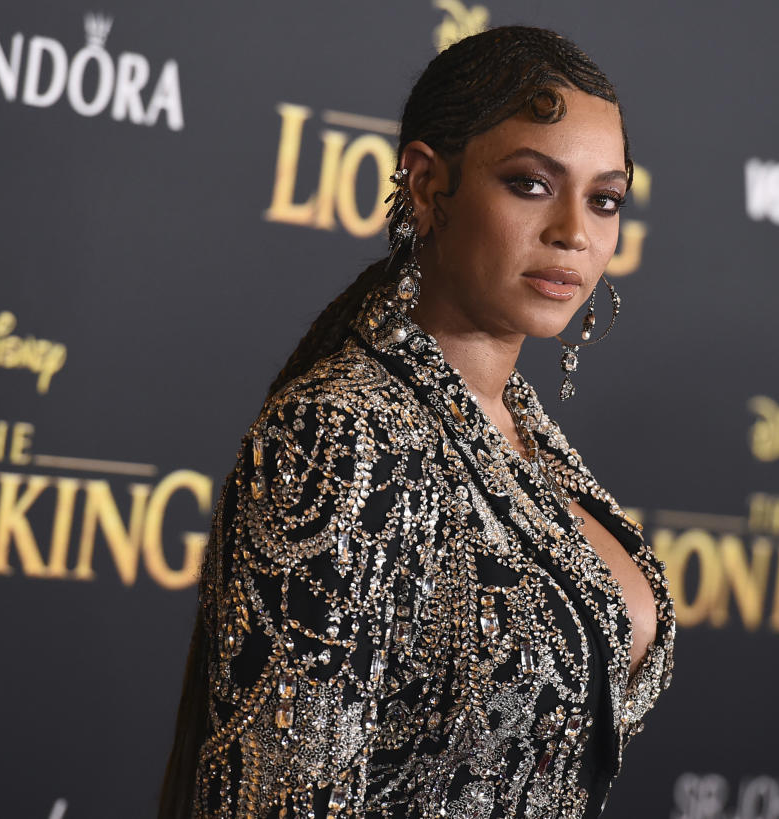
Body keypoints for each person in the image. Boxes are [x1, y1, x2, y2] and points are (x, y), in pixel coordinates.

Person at [159, 25, 674, 819]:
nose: (576, 229)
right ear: (430, 187)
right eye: (533, 184)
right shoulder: (338, 438)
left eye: (604, 199)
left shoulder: (528, 439)